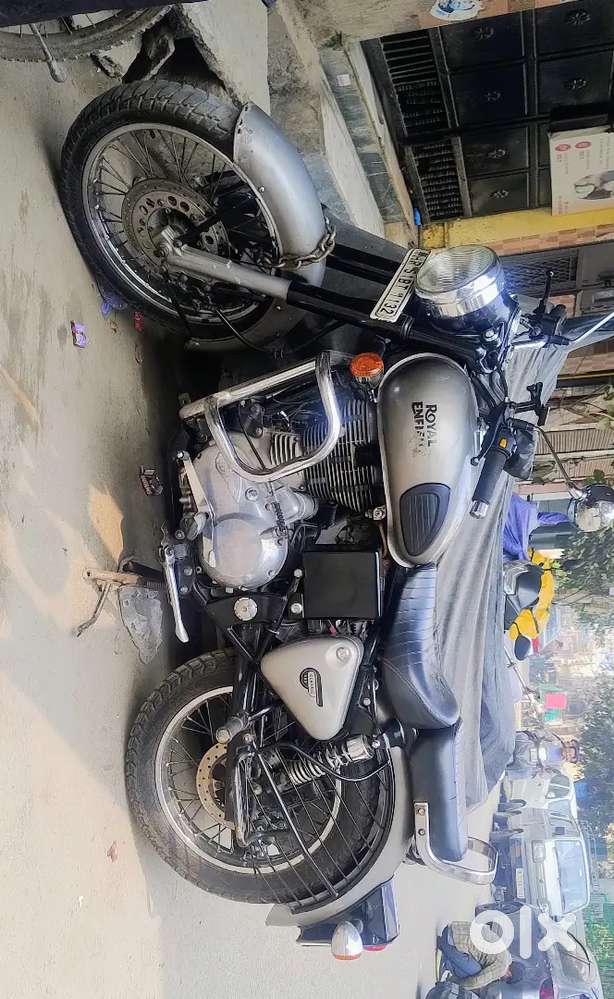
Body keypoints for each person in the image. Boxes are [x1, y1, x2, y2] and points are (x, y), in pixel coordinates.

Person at [438, 922, 513, 991]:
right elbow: (477, 981)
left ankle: (445, 948)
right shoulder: (502, 967)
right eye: (506, 980)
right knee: (476, 973)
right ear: (509, 974)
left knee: (477, 965)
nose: (500, 979)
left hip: (451, 929)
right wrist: (457, 987)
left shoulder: (504, 951)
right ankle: (446, 963)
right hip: (450, 942)